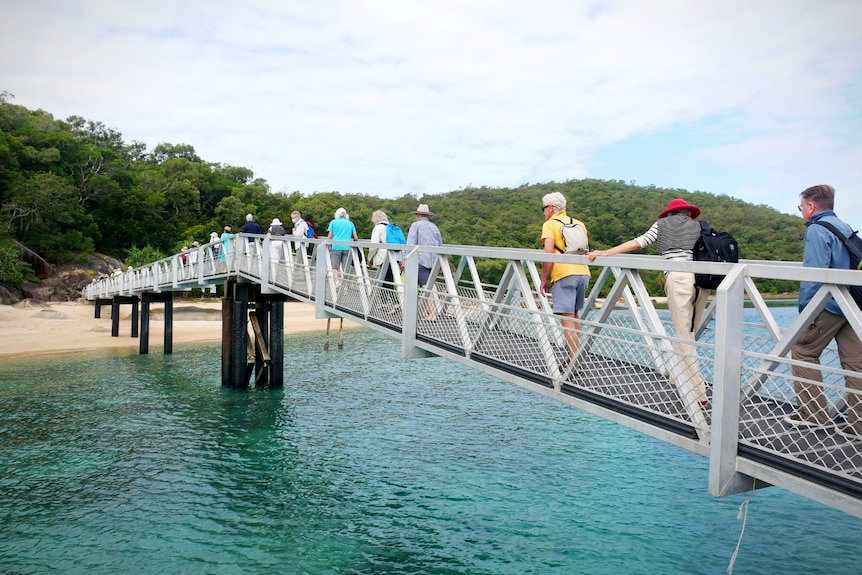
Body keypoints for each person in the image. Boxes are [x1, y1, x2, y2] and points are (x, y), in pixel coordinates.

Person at [588, 198, 709, 406]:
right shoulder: (700, 226)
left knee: (684, 334)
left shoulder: (661, 225)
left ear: (669, 213)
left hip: (679, 278)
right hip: (703, 279)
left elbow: (638, 242)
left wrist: (606, 252)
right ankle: (676, 374)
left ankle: (698, 394)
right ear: (688, 212)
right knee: (689, 331)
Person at [785, 184, 862, 439]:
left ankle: (812, 414)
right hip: (850, 303)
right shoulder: (844, 227)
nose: (801, 212)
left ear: (811, 206)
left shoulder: (817, 230)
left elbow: (814, 274)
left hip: (828, 304)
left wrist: (807, 310)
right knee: (855, 363)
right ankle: (858, 425)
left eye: (801, 207)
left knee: (803, 351)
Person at [539, 192, 591, 371]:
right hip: (583, 273)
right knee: (575, 317)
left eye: (544, 209)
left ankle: (574, 362)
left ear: (551, 208)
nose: (543, 213)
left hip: (564, 274)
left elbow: (548, 253)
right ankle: (574, 358)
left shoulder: (550, 224)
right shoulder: (579, 223)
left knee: (567, 321)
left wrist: (544, 279)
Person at [407, 203, 443, 321]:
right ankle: (425, 311)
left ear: (417, 215)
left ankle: (432, 314)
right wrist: (441, 263)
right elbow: (440, 245)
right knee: (427, 286)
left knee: (425, 287)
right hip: (434, 261)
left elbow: (410, 245)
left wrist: (404, 260)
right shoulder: (434, 227)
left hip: (421, 260)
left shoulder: (415, 226)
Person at [368, 210, 402, 312]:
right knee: (387, 280)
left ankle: (395, 304)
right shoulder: (392, 227)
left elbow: (373, 246)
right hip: (396, 256)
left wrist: (369, 258)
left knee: (386, 281)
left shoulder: (378, 228)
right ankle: (385, 303)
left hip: (384, 258)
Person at [327, 207, 358, 283]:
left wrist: (327, 245)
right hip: (347, 248)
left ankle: (337, 282)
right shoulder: (350, 223)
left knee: (335, 267)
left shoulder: (333, 222)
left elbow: (330, 236)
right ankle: (346, 285)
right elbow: (356, 238)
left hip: (336, 247)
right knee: (346, 268)